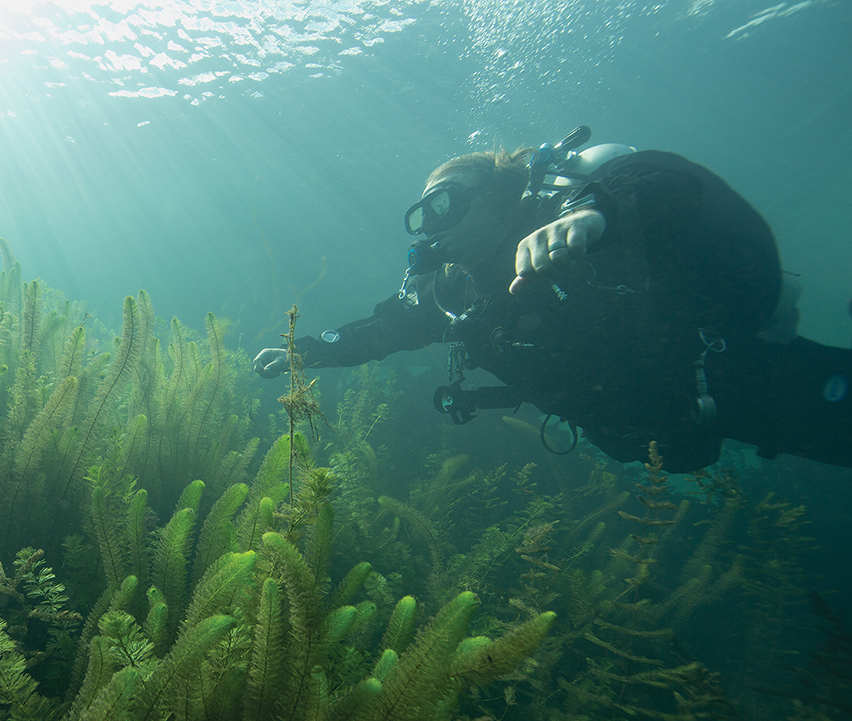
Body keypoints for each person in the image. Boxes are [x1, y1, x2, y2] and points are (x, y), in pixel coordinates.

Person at [253, 130, 852, 473]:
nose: (433, 227)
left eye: (446, 204)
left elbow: (665, 178)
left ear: (498, 194)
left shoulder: (570, 212)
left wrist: (593, 215)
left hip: (735, 381)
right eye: (424, 216)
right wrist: (305, 351)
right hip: (659, 424)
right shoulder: (456, 290)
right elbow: (385, 330)